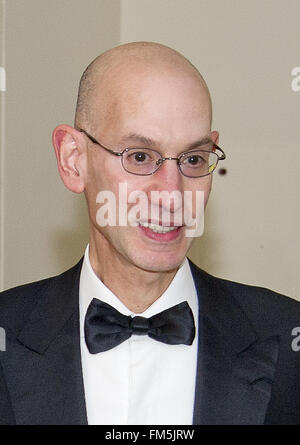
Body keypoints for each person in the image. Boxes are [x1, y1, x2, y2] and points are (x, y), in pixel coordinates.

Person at [0, 42, 299, 425]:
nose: (172, 196)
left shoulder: (288, 344)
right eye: (140, 157)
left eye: (193, 159)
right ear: (74, 160)